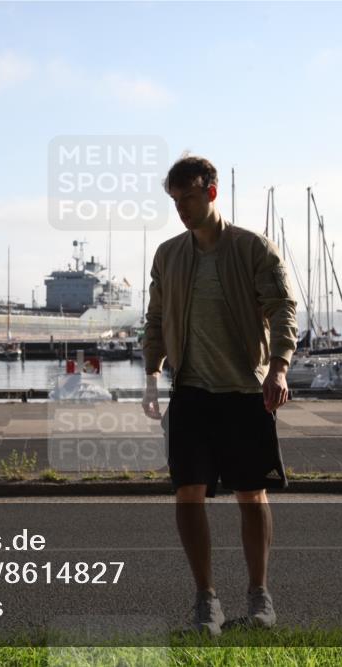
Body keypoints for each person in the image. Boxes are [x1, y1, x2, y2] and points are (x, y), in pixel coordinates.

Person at [141, 155, 298, 635]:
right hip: (190, 392)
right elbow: (154, 320)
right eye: (174, 200)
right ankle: (205, 600)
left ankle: (258, 596)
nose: (181, 208)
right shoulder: (168, 255)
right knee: (188, 495)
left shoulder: (253, 249)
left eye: (188, 197)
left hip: (244, 392)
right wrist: (151, 374)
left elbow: (282, 309)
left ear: (210, 192)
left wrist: (280, 368)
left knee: (252, 494)